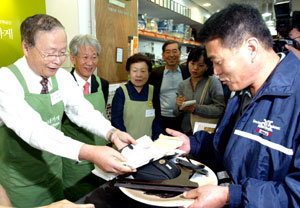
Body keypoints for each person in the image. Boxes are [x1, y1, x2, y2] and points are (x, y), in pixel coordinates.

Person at [167, 3, 300, 208]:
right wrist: (193, 144)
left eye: (218, 62)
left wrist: (232, 195)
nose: (215, 71)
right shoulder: (240, 93)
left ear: (251, 49)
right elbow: (230, 146)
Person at [0, 14, 136, 208]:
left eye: (62, 52)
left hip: (54, 175)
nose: (57, 60)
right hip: (21, 184)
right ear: (26, 47)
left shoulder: (61, 78)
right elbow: (34, 130)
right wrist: (90, 152)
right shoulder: (6, 80)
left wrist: (111, 132)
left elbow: (81, 111)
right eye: (50, 53)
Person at [61, 34, 109, 201]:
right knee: (78, 199)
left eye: (94, 57)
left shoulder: (102, 84)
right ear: (73, 58)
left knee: (100, 197)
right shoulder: (63, 85)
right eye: (85, 57)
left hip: (101, 156)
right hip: (76, 161)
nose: (90, 63)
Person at [173, 47, 225, 135]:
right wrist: (179, 106)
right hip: (186, 130)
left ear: (207, 66)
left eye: (200, 65)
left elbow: (220, 109)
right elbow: (175, 112)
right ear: (188, 63)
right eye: (192, 63)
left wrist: (196, 108)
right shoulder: (183, 84)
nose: (195, 68)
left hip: (205, 132)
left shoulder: (213, 82)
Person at [111, 54, 162, 140]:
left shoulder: (153, 91)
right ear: (129, 72)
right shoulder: (121, 92)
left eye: (143, 71)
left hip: (148, 145)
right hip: (125, 145)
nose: (139, 75)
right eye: (134, 71)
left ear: (149, 73)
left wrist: (157, 140)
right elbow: (116, 121)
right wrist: (127, 142)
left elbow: (157, 120)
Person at [148, 40, 190, 133]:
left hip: (182, 119)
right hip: (161, 119)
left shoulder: (187, 72)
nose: (171, 55)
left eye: (175, 51)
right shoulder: (155, 74)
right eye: (168, 52)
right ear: (163, 55)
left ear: (180, 53)